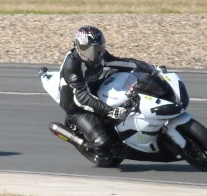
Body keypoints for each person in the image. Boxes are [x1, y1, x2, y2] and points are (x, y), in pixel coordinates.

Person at [59, 25, 144, 160]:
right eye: (90, 50)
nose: (96, 54)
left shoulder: (99, 55)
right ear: (79, 47)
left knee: (124, 78)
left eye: (99, 49)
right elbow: (82, 98)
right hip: (76, 106)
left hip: (94, 87)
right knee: (104, 144)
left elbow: (120, 62)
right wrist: (109, 111)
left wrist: (148, 68)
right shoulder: (72, 67)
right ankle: (94, 150)